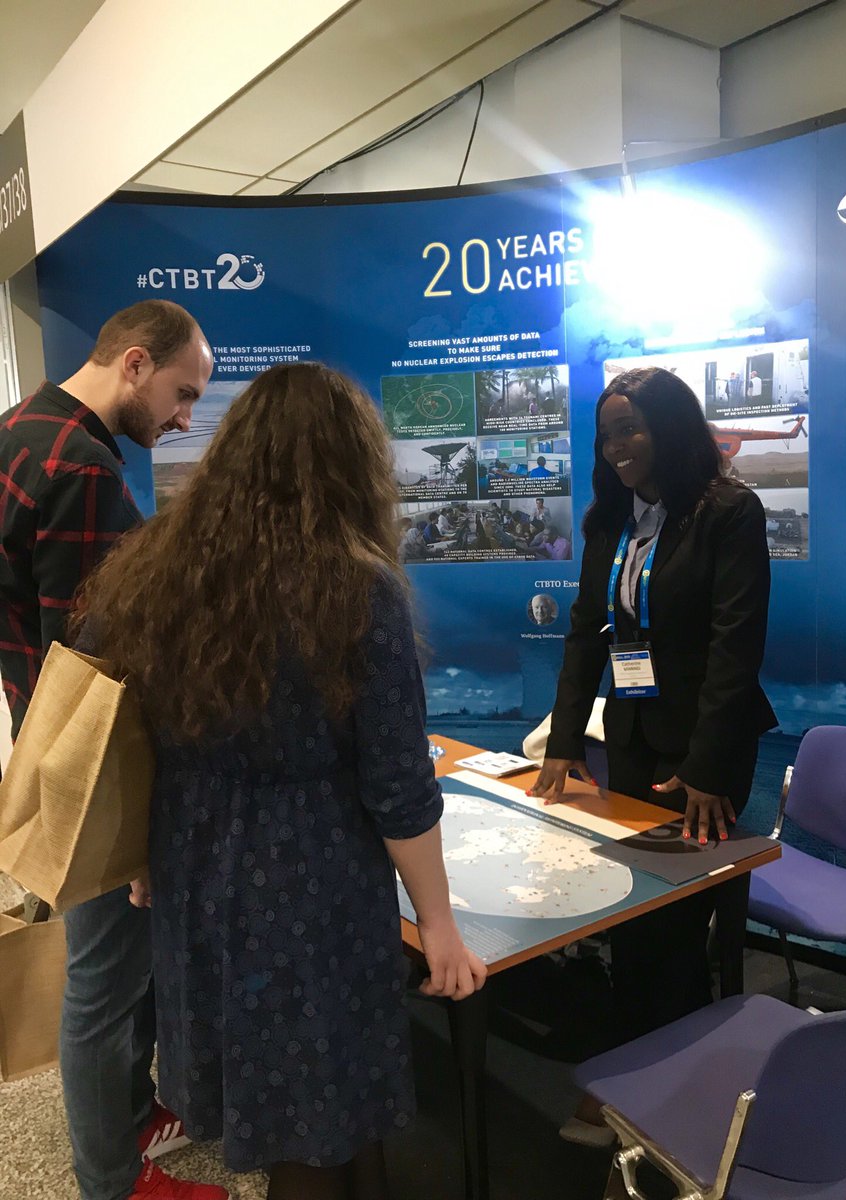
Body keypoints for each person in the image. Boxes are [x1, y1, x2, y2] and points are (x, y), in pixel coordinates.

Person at [72, 362, 487, 1200]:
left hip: (193, 860)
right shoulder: (356, 586)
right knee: (319, 1096)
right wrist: (438, 924)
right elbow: (399, 785)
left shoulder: (154, 568)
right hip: (311, 877)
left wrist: (143, 854)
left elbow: (127, 730)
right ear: (352, 462)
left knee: (274, 1087)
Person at [0, 301, 220, 1200]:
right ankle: (112, 1180)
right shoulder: (82, 467)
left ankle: (128, 1117)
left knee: (114, 970)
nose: (184, 419)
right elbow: (100, 661)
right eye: (181, 393)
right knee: (103, 978)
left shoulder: (16, 431)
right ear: (134, 364)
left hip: (44, 740)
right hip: (95, 766)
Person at [530, 367, 776, 1137]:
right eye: (607, 435)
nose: (617, 447)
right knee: (636, 914)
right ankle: (657, 1071)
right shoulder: (610, 520)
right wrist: (564, 742)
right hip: (635, 739)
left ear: (668, 427)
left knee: (672, 923)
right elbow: (585, 634)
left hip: (707, 751)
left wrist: (706, 768)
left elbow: (736, 648)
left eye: (631, 429)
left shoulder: (729, 512)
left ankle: (651, 1088)